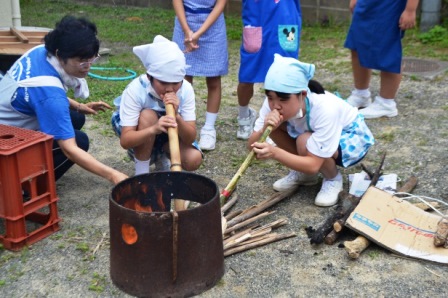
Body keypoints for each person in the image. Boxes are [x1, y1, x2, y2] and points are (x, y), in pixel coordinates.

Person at [0, 15, 127, 185]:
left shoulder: (40, 52)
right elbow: (70, 150)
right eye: (82, 61)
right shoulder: (50, 95)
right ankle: (24, 186)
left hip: (9, 113)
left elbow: (39, 96)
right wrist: (114, 175)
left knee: (77, 117)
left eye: (92, 59)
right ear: (61, 55)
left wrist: (79, 106)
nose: (88, 67)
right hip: (5, 144)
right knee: (79, 141)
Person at [248, 54, 375, 207]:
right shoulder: (272, 103)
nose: (276, 105)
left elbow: (313, 164)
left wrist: (274, 152)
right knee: (275, 129)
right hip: (310, 133)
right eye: (270, 98)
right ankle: (305, 176)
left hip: (350, 136)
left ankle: (333, 178)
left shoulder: (325, 108)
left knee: (305, 141)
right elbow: (251, 146)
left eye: (283, 99)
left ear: (302, 94)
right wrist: (264, 129)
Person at [111, 35, 202, 176]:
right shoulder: (136, 89)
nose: (170, 89)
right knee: (148, 115)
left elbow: (190, 137)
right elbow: (126, 140)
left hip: (167, 134)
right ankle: (142, 177)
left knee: (193, 159)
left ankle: (162, 156)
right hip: (142, 130)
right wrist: (154, 129)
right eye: (163, 82)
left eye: (176, 83)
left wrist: (176, 116)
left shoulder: (186, 89)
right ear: (149, 77)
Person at [237, 0, 302, 140]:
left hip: (286, 19)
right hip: (257, 19)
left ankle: (280, 123)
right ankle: (244, 117)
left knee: (286, 75)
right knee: (246, 76)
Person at [344, 0, 419, 119]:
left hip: (391, 4)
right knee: (357, 45)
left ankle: (386, 103)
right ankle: (361, 94)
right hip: (366, 4)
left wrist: (410, 10)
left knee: (388, 48)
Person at [172, 0, 228, 151]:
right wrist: (187, 31)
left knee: (214, 78)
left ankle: (209, 129)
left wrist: (198, 33)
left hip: (213, 25)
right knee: (183, 77)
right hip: (184, 23)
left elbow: (220, 4)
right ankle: (184, 125)